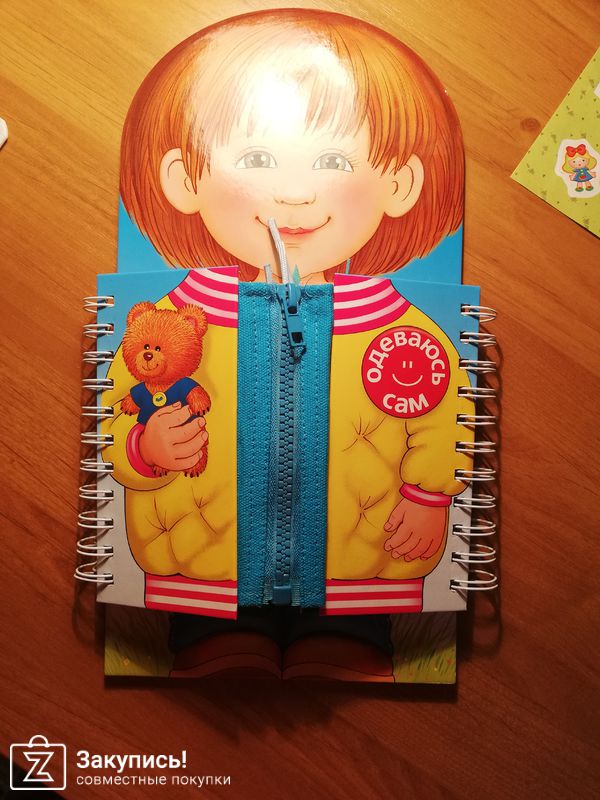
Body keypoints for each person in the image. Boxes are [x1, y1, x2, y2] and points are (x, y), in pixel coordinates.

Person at [103, 9, 473, 680]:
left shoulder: (400, 329)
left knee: (350, 632)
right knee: (214, 631)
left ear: (400, 185)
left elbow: (440, 417)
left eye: (334, 161)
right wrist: (144, 448)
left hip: (363, 563)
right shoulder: (164, 324)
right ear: (184, 178)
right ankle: (216, 633)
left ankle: (346, 633)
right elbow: (115, 414)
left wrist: (428, 496)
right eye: (256, 160)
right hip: (199, 559)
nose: (297, 192)